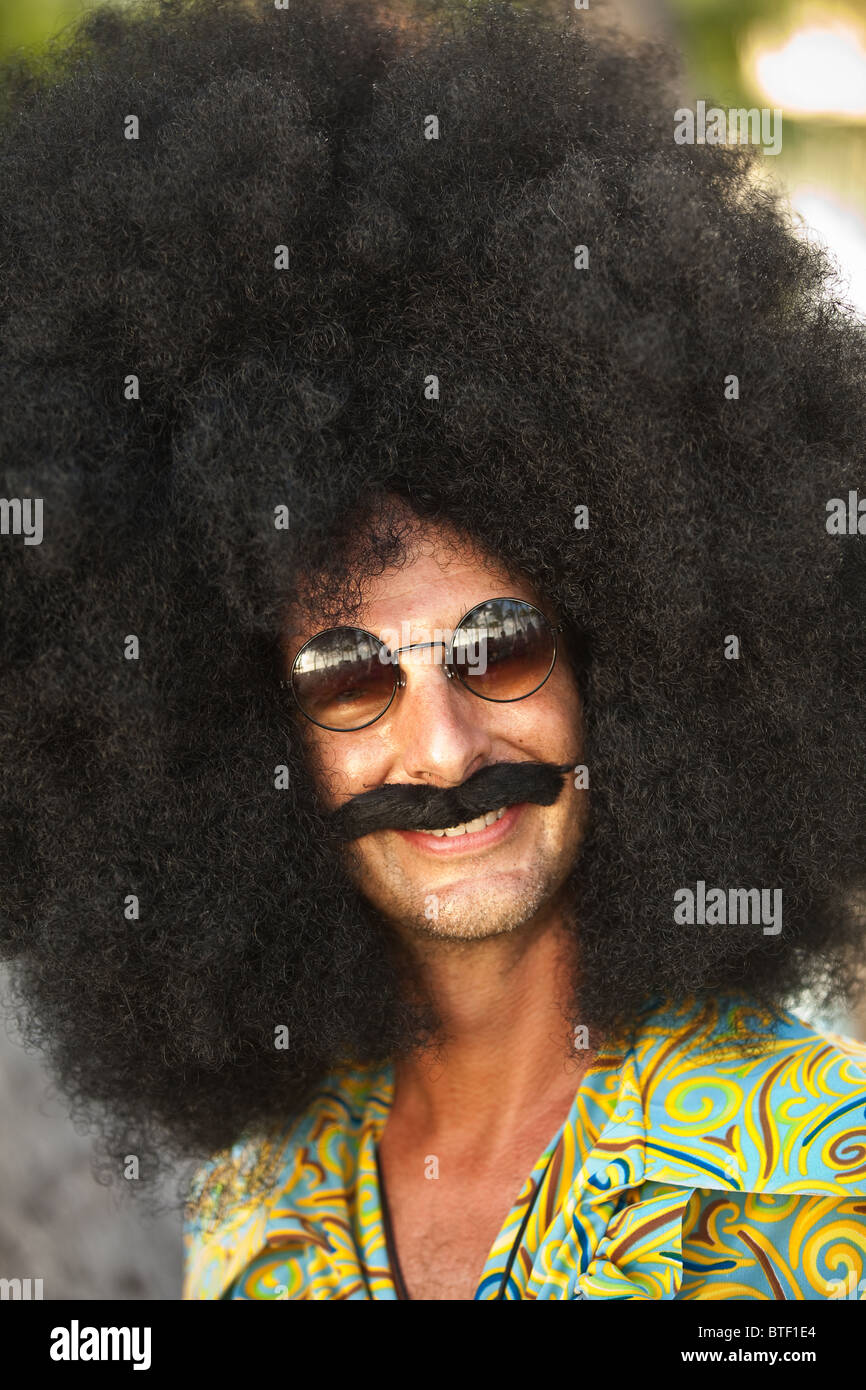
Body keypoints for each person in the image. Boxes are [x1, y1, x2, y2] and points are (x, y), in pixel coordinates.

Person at [2, 0, 865, 1301]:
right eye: (348, 677)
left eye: (498, 648)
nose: (443, 746)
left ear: (618, 661)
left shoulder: (814, 1170)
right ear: (253, 745)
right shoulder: (258, 1197)